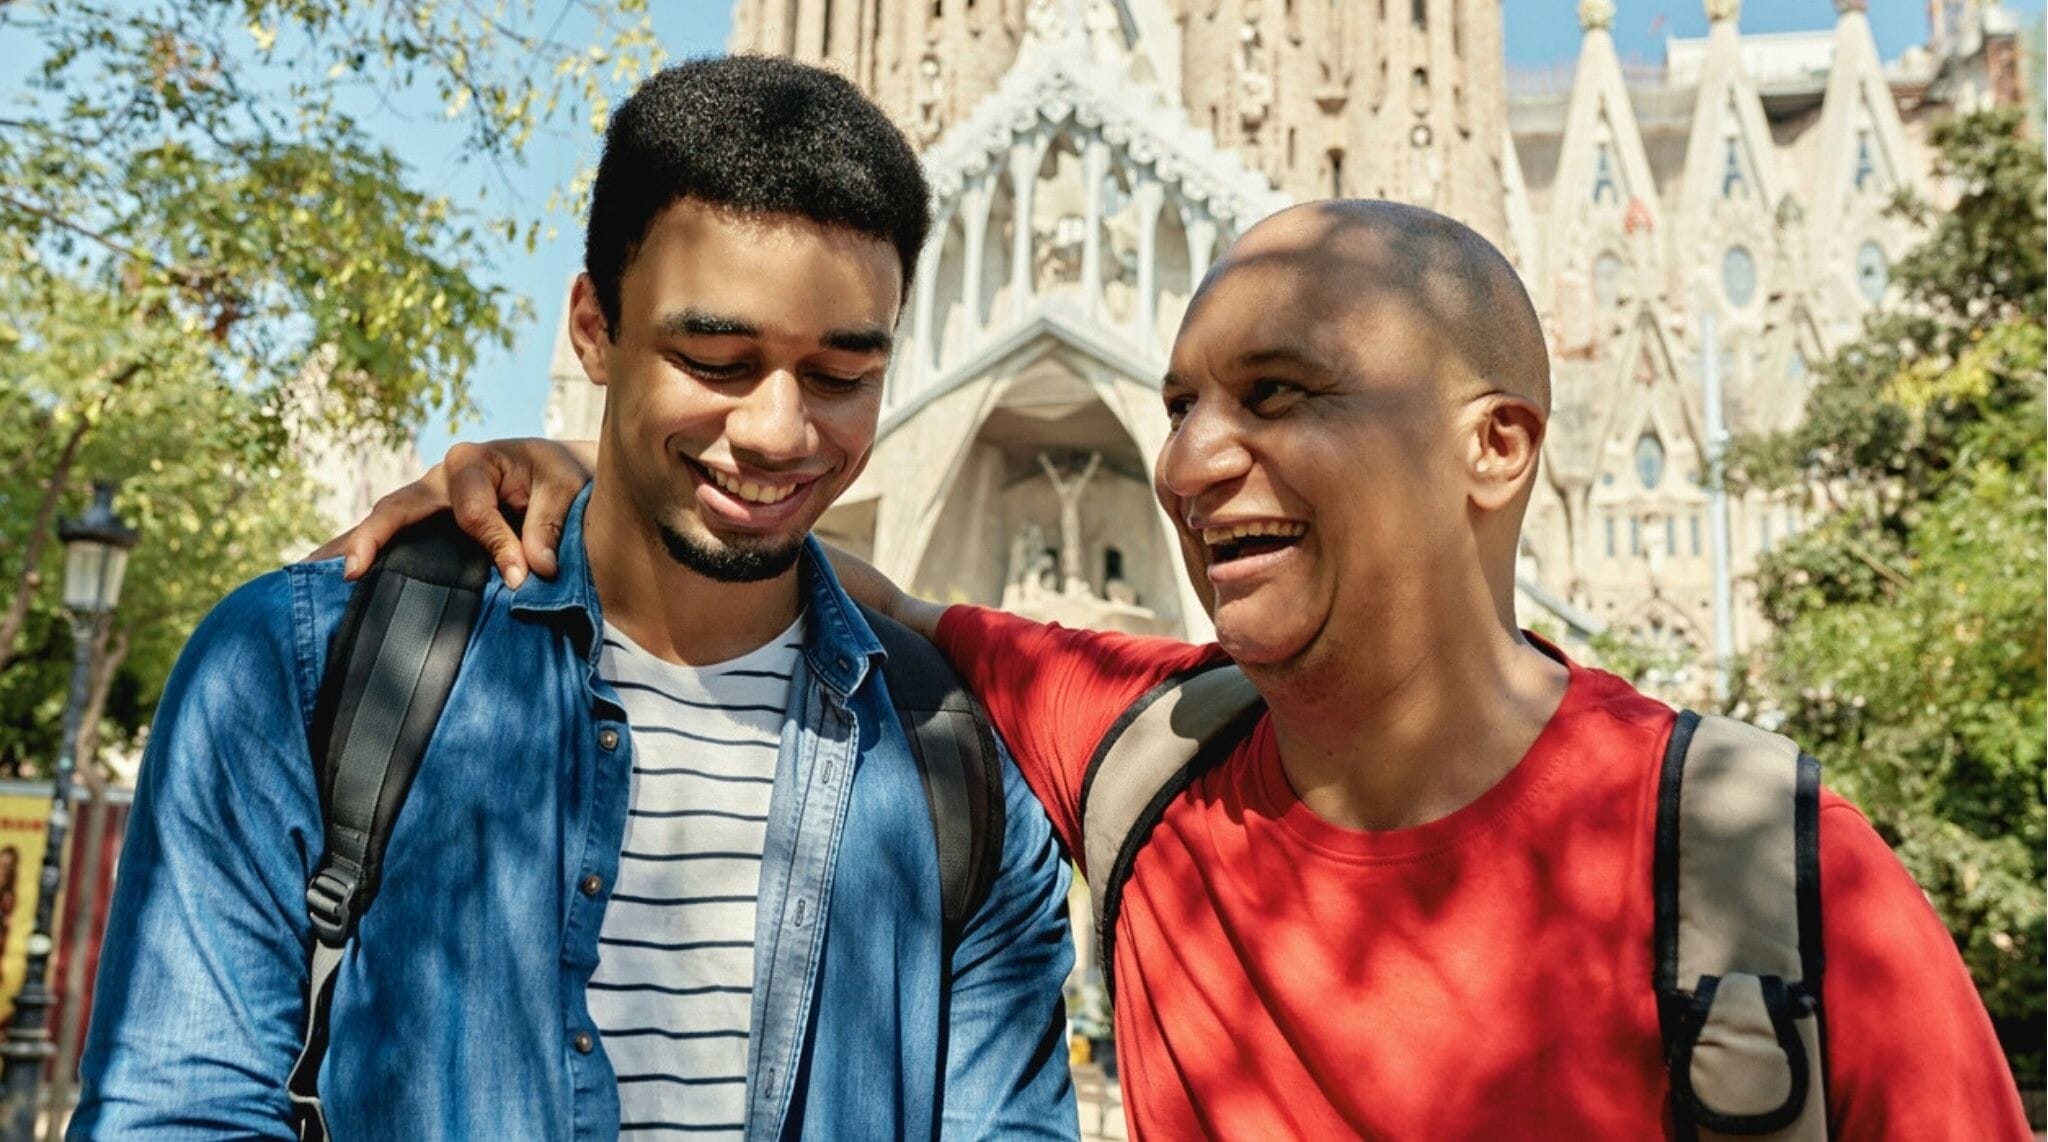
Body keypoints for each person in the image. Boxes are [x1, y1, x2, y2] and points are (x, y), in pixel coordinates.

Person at [336, 200, 2031, 1140]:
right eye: (1181, 404)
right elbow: (882, 600)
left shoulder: (1751, 872)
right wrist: (598, 475)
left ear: (1493, 447)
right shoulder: (1142, 759)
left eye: (1280, 394)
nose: (1193, 457)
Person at [74, 57, 1077, 1140]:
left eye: (840, 376)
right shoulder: (302, 666)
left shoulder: (959, 768)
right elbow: (181, 1109)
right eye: (714, 357)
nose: (780, 432)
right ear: (593, 329)